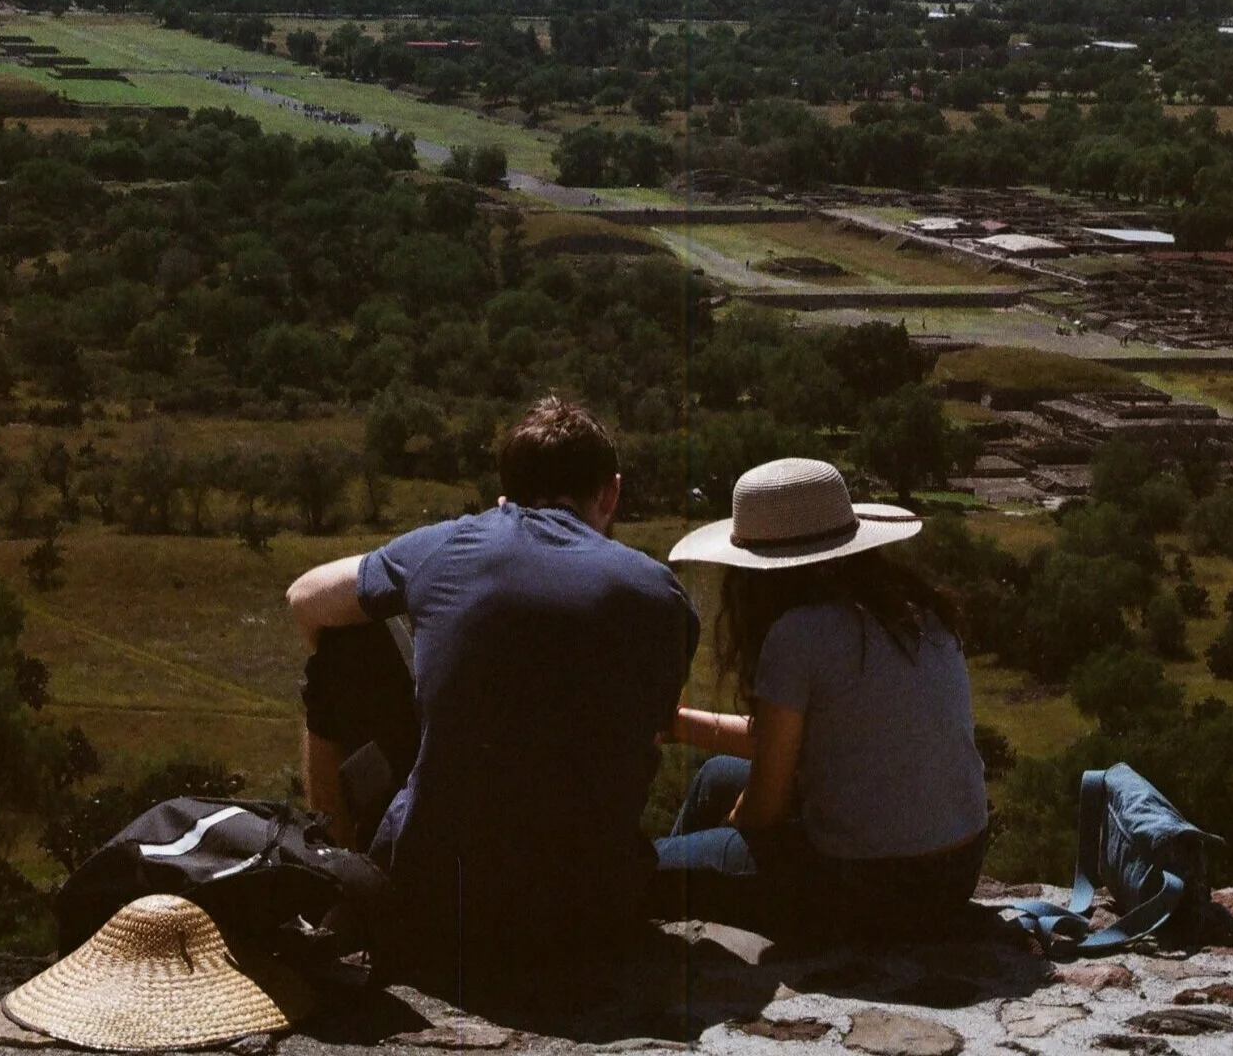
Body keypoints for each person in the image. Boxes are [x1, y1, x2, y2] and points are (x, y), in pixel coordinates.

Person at [286, 395, 699, 974]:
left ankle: (340, 880)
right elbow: (645, 736)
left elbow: (305, 598)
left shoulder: (449, 543)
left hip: (437, 908)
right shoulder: (662, 595)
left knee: (341, 648)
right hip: (593, 914)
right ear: (610, 494)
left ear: (505, 494)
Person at [653, 456, 988, 938]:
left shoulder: (799, 633)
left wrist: (732, 823)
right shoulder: (918, 616)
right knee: (715, 775)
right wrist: (681, 725)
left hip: (865, 886)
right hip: (956, 872)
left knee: (645, 866)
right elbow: (805, 739)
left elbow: (763, 812)